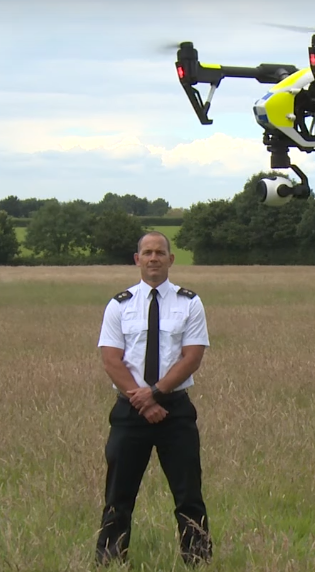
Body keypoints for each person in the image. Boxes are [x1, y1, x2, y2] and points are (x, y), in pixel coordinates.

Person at [94, 230, 213, 566]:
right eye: (147, 252)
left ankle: (199, 561)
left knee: (189, 496)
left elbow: (191, 357)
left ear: (170, 259)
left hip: (175, 412)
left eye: (160, 252)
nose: (153, 258)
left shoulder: (190, 302)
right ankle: (110, 561)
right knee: (118, 496)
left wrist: (156, 394)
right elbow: (111, 359)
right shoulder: (119, 305)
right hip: (129, 413)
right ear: (137, 260)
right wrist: (143, 401)